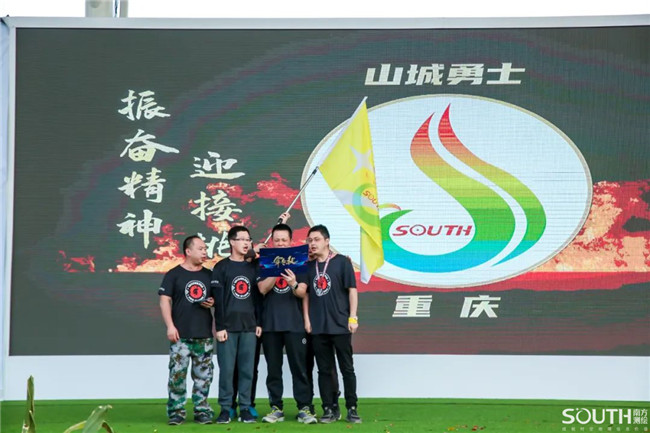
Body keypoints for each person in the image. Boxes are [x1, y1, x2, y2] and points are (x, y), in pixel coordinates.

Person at [257, 222, 318, 424]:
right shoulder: (265, 262)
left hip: (295, 324)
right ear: (272, 242)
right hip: (271, 325)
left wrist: (293, 283)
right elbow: (262, 289)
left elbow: (302, 292)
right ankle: (276, 408)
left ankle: (304, 407)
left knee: (300, 368)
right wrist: (277, 268)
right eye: (277, 240)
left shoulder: (300, 261)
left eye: (284, 240)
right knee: (273, 369)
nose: (281, 243)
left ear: (291, 241)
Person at [300, 224, 362, 424]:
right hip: (318, 327)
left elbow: (352, 290)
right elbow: (306, 295)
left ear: (327, 241)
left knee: (347, 368)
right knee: (324, 370)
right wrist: (307, 320)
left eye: (316, 239)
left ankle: (352, 407)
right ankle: (329, 407)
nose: (312, 244)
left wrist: (353, 317)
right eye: (310, 240)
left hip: (341, 325)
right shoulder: (309, 266)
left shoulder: (342, 262)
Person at [158, 235, 215, 425]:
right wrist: (170, 326)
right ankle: (176, 412)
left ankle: (202, 411)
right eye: (200, 248)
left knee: (204, 377)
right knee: (177, 376)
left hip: (204, 334)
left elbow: (217, 298)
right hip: (180, 335)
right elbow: (164, 300)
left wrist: (212, 302)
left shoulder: (209, 275)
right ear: (188, 251)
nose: (205, 252)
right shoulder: (174, 274)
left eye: (205, 248)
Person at [211, 226, 262, 424]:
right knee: (227, 371)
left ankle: (246, 408)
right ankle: (225, 409)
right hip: (228, 329)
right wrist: (220, 327)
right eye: (242, 239)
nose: (246, 243)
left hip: (249, 327)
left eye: (248, 239)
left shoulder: (254, 267)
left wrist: (259, 322)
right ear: (232, 242)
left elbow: (258, 298)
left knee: (247, 370)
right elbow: (219, 300)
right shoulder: (221, 267)